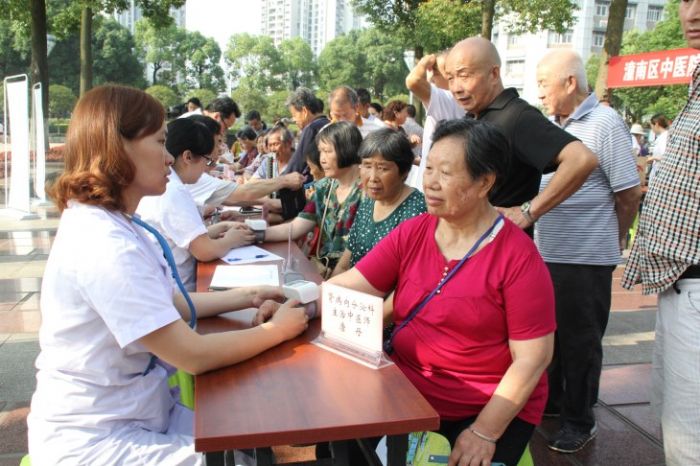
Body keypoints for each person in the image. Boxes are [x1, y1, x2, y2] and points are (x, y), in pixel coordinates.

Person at [27, 85, 308, 465]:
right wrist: (276, 332)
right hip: (97, 437)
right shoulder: (105, 244)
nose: (168, 157)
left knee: (245, 442)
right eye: (160, 142)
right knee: (243, 456)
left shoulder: (118, 223)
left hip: (139, 413)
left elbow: (168, 302)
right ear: (118, 148)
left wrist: (249, 296)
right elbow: (191, 355)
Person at [329, 118, 555, 466]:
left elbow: (532, 359)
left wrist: (485, 432)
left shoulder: (518, 257)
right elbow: (353, 284)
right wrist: (292, 299)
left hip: (485, 405)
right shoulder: (414, 232)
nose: (431, 182)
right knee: (341, 441)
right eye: (429, 168)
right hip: (410, 392)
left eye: (446, 173)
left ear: (485, 182)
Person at [535, 50, 642, 453]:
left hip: (585, 257)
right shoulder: (549, 125)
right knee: (553, 337)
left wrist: (611, 239)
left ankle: (580, 421)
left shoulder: (605, 123)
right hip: (548, 252)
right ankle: (557, 403)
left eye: (545, 83)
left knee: (581, 341)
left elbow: (628, 193)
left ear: (569, 83)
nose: (540, 91)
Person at [622, 1, 700, 464]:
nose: (691, 12)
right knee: (678, 423)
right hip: (682, 283)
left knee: (690, 434)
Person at [444, 37, 598, 235]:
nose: (456, 87)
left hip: (501, 250)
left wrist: (528, 212)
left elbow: (582, 159)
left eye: (464, 75)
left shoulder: (516, 116)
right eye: (450, 78)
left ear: (494, 73)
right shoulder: (475, 116)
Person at [137, 117, 256, 291]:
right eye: (208, 162)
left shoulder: (172, 185)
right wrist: (231, 240)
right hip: (182, 290)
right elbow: (204, 250)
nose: (207, 169)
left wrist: (221, 227)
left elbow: (180, 237)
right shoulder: (172, 190)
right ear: (188, 156)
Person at [263, 122, 363, 277]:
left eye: (327, 151)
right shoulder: (324, 187)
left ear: (347, 150)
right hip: (325, 272)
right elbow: (297, 226)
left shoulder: (368, 192)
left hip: (355, 276)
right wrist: (255, 233)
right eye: (321, 152)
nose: (322, 159)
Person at [333, 128, 426, 275]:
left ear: (404, 171)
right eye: (367, 166)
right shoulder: (370, 201)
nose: (372, 177)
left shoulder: (418, 211)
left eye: (382, 168)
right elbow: (344, 264)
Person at [405, 50, 466, 190]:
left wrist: (425, 61)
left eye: (436, 71)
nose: (430, 76)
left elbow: (413, 81)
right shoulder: (460, 103)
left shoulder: (448, 99)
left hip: (432, 189)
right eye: (429, 70)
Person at [285, 87, 330, 180]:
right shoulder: (330, 124)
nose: (294, 119)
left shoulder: (311, 129)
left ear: (304, 111)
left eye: (294, 115)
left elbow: (296, 167)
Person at [647, 113, 670, 182]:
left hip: (660, 174)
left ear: (656, 124)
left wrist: (653, 158)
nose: (652, 129)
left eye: (651, 126)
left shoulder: (664, 137)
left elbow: (666, 157)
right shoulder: (663, 136)